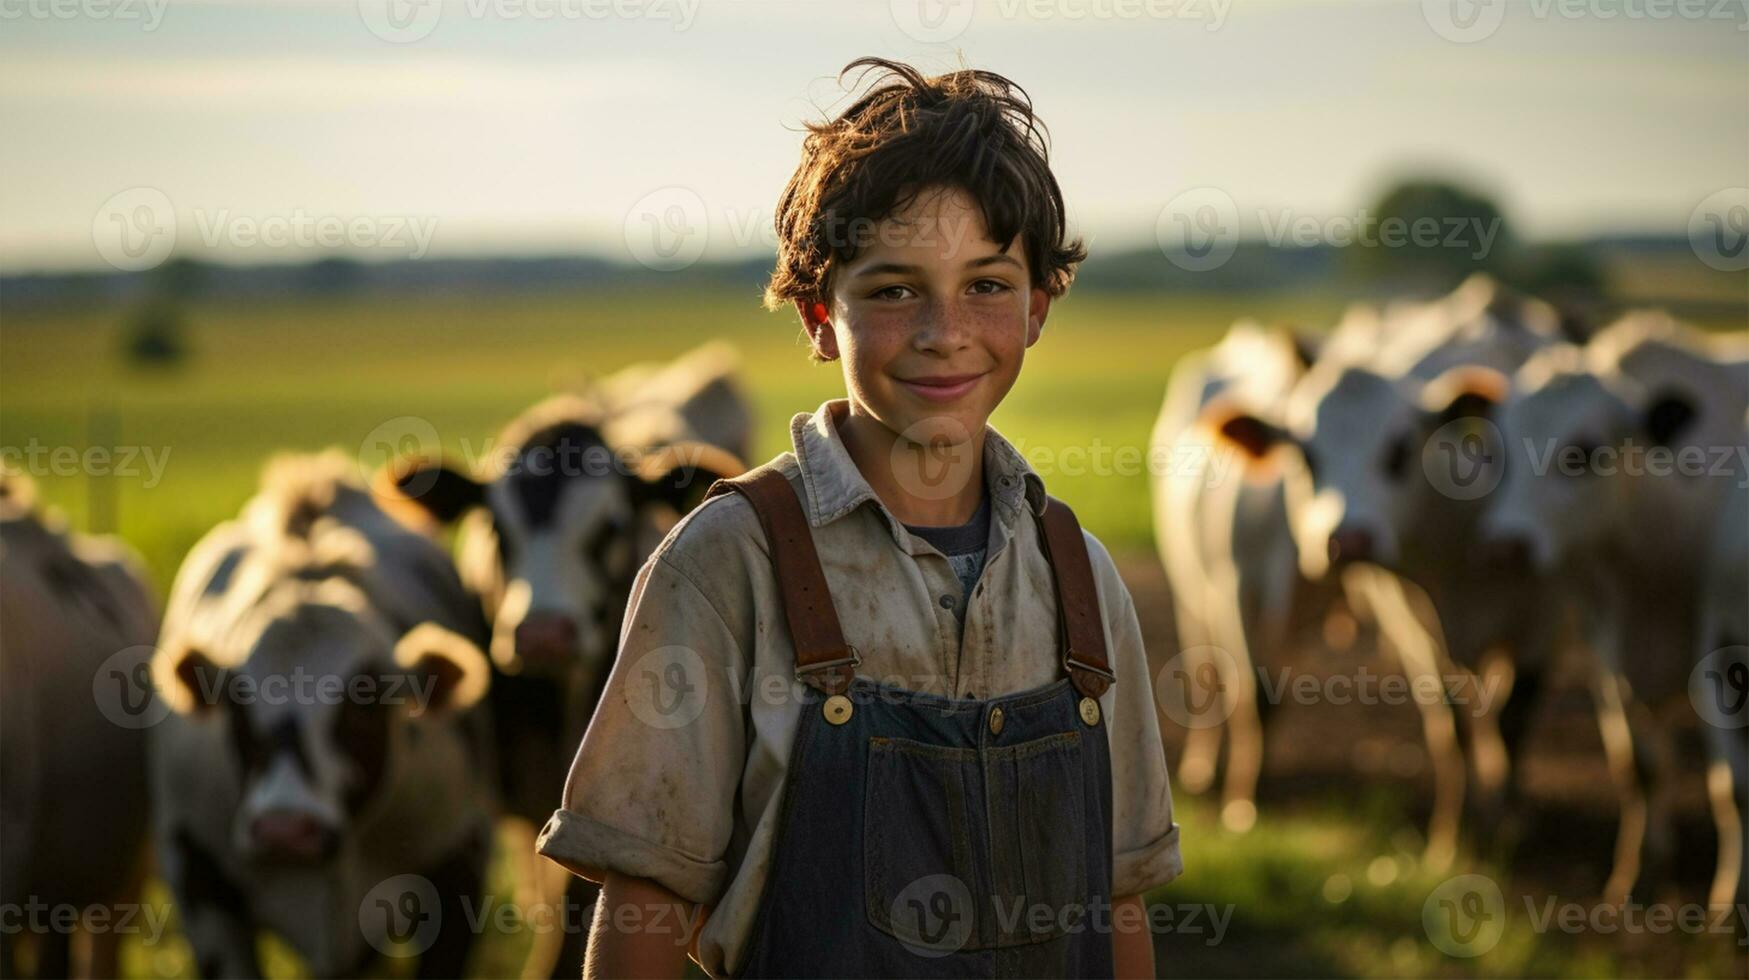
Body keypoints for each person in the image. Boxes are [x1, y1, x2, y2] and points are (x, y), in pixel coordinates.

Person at [536, 56, 1182, 979]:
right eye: (891, 290)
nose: (941, 331)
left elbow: (1119, 899)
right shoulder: (726, 563)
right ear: (814, 315)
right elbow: (642, 899)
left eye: (987, 286)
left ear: (1039, 305)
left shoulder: (1077, 575)